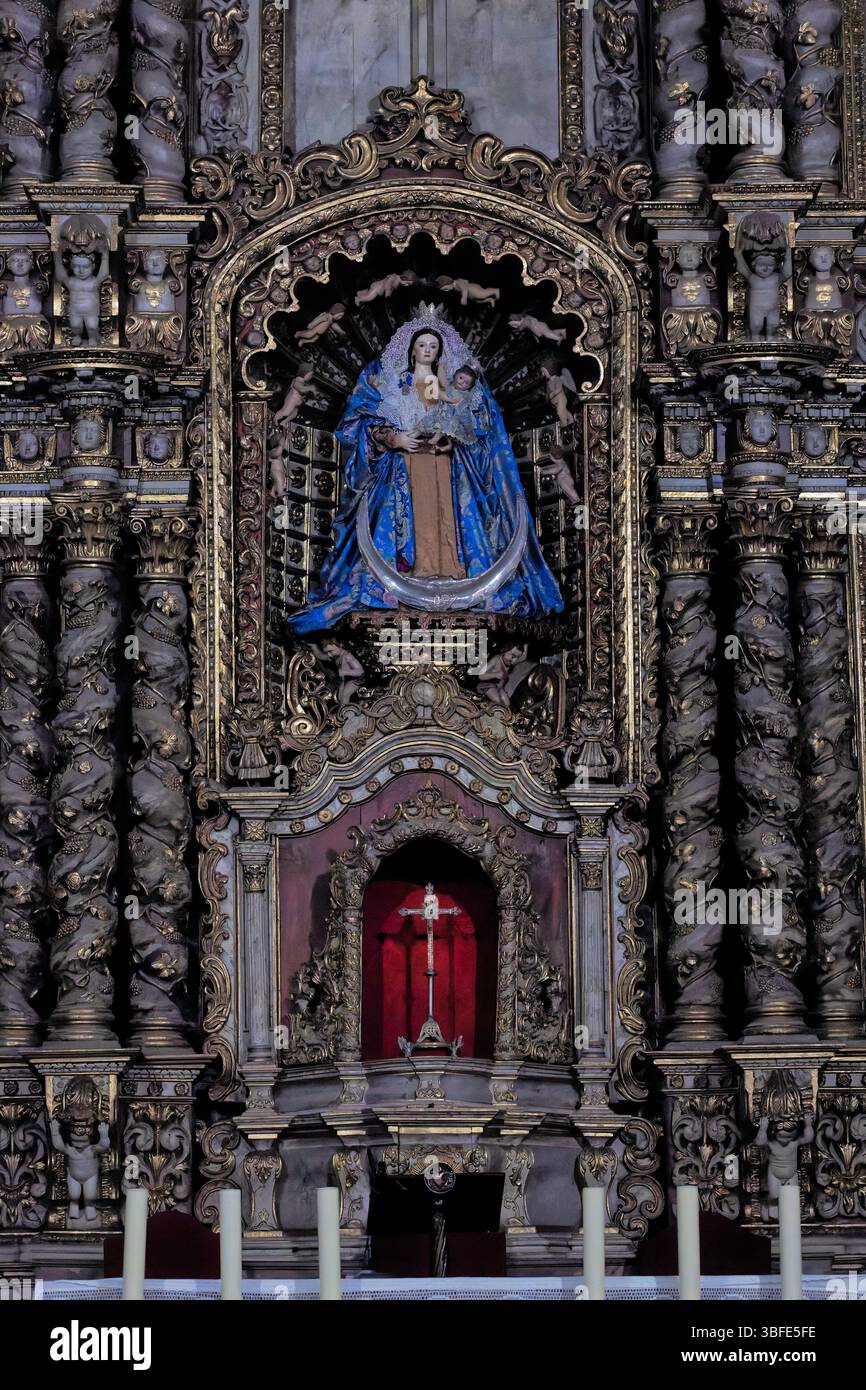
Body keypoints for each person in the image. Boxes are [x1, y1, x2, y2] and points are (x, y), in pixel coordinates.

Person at [289, 309, 562, 632]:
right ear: (412, 349)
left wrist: (452, 439)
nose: (428, 350)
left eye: (434, 345)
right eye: (423, 345)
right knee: (406, 517)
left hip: (445, 464)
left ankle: (450, 571)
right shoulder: (391, 379)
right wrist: (392, 437)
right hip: (401, 466)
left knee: (446, 513)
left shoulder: (447, 383)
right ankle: (412, 573)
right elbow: (361, 421)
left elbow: (472, 425)